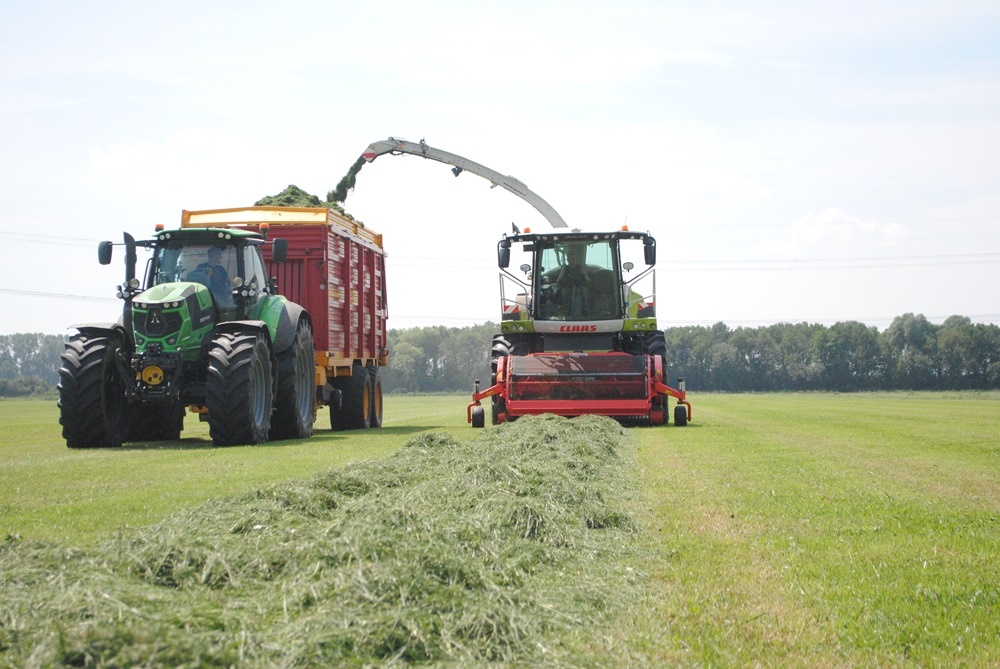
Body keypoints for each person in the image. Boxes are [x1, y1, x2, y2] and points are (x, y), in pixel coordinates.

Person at [556, 253, 590, 319]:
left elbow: (586, 277)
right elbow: (560, 278)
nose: (573, 260)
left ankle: (585, 310)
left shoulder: (580, 267)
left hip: (579, 287)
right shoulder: (565, 268)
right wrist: (558, 282)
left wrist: (586, 278)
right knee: (564, 292)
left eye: (574, 259)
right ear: (568, 260)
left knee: (583, 291)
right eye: (571, 259)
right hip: (568, 287)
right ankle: (567, 310)